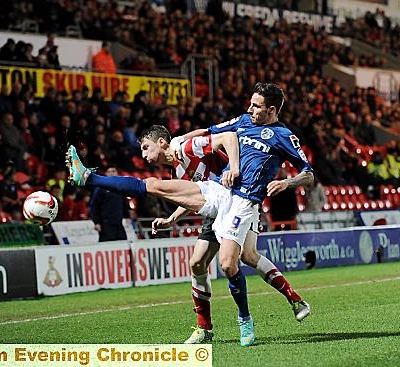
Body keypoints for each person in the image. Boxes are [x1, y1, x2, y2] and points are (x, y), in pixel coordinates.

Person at [66, 82, 313, 345]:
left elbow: (308, 173)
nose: (250, 109)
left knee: (230, 263)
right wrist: (184, 140)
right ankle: (89, 178)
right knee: (154, 186)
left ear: (272, 110)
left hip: (243, 201)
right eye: (250, 103)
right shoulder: (242, 121)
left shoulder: (283, 135)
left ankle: (246, 319)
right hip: (219, 189)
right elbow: (209, 131)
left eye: (256, 106)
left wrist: (286, 183)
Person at [90, 166, 130, 242]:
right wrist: (96, 222)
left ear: (117, 173)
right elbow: (94, 205)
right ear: (106, 174)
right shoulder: (101, 188)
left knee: (123, 245)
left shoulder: (121, 188)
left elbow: (124, 203)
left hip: (119, 224)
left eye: (113, 171)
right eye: (109, 171)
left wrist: (127, 216)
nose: (111, 173)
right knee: (107, 247)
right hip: (105, 225)